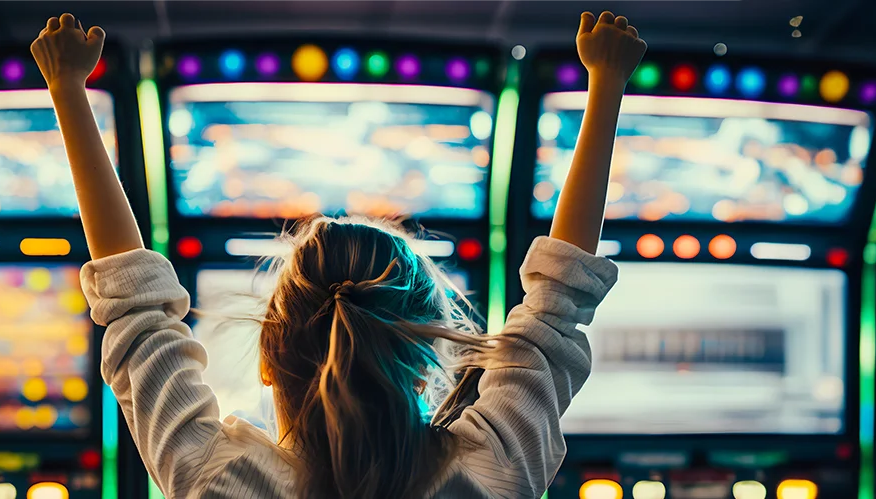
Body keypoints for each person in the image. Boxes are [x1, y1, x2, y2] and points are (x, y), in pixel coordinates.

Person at [32, 10, 644, 498]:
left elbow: (137, 314)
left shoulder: (218, 481)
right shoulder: (493, 471)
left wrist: (67, 92)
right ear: (432, 358)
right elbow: (557, 303)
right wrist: (607, 85)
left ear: (268, 361)